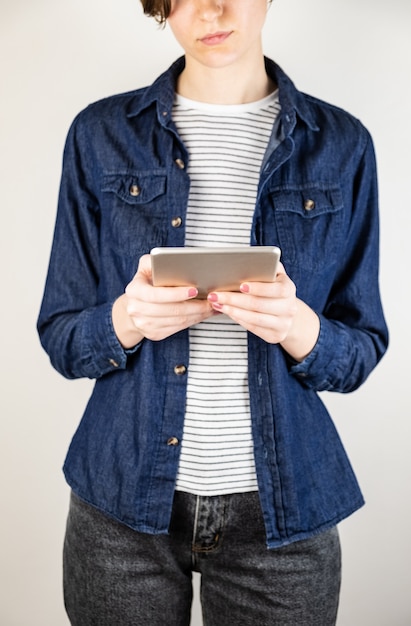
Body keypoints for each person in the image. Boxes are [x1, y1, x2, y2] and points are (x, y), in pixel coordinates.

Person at [37, 0, 389, 624]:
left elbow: (360, 345)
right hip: (120, 507)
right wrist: (128, 319)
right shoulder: (99, 134)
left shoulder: (342, 145)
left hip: (283, 519)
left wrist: (299, 329)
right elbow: (63, 335)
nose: (212, 10)